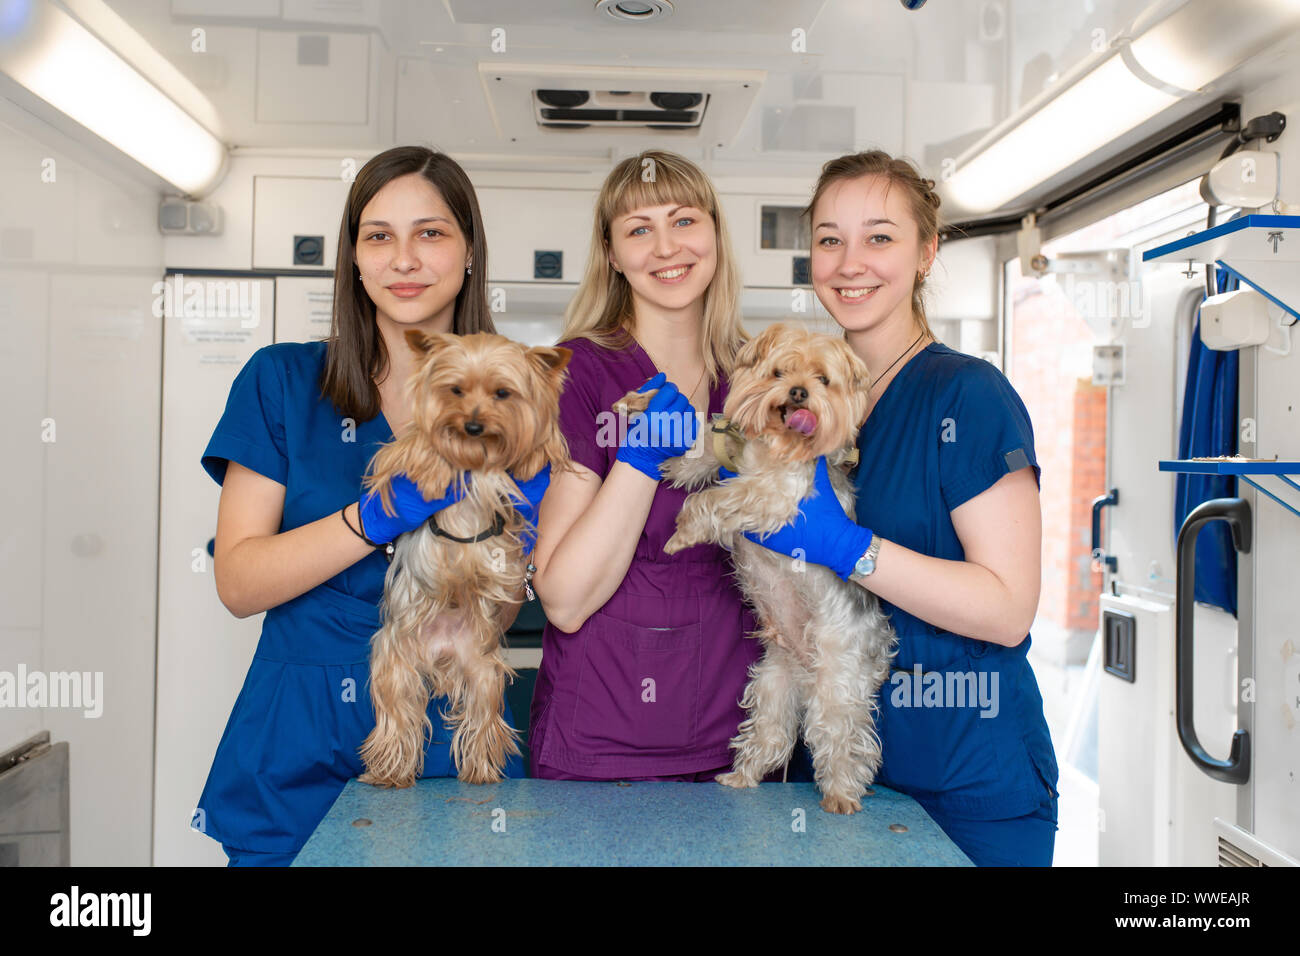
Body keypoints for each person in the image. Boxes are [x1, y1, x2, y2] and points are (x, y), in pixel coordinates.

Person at [193, 146, 545, 866]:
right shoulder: (282, 381)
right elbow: (239, 582)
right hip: (300, 732)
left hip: (448, 725)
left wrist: (506, 550)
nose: (404, 258)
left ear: (469, 251)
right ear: (353, 258)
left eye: (431, 232)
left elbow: (497, 617)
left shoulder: (512, 403)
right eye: (378, 235)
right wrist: (373, 517)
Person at [738, 150, 1059, 866]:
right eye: (829, 239)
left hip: (965, 782)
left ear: (926, 251)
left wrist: (849, 548)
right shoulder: (819, 411)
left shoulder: (968, 396)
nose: (851, 262)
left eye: (879, 236)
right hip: (846, 781)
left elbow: (1008, 608)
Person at [527, 150, 767, 781]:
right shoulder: (576, 373)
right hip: (604, 739)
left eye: (684, 221)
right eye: (638, 229)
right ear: (611, 253)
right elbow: (564, 599)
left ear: (714, 233)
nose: (666, 247)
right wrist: (638, 460)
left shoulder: (755, 379)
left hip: (742, 739)